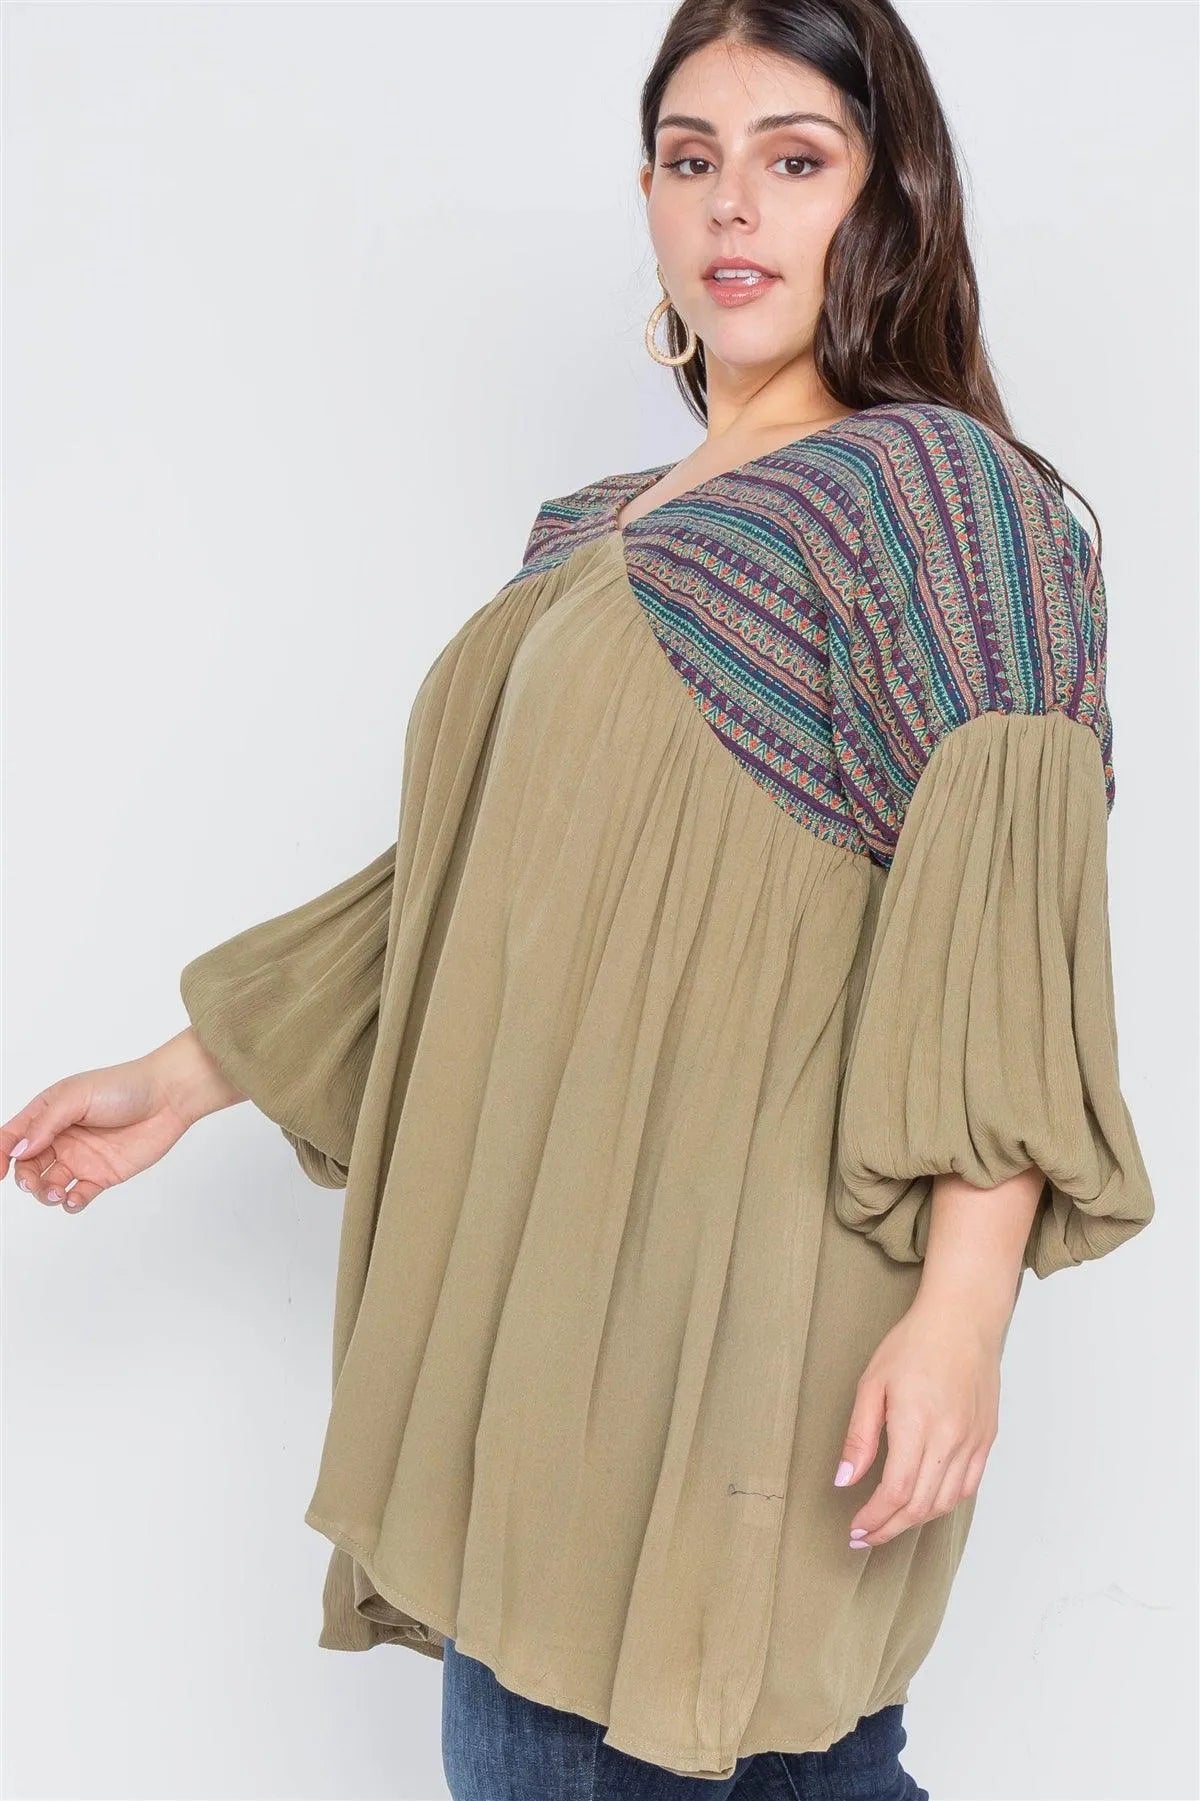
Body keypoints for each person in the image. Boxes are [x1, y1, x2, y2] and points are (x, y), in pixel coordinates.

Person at [3, 0, 1156, 1795]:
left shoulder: (938, 495)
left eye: (795, 160)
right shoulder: (591, 527)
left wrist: (962, 1315)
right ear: (648, 198)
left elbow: (998, 932)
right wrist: (180, 1076)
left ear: (892, 199)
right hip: (544, 1308)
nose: (732, 207)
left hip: (742, 1325)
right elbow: (472, 893)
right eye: (692, 161)